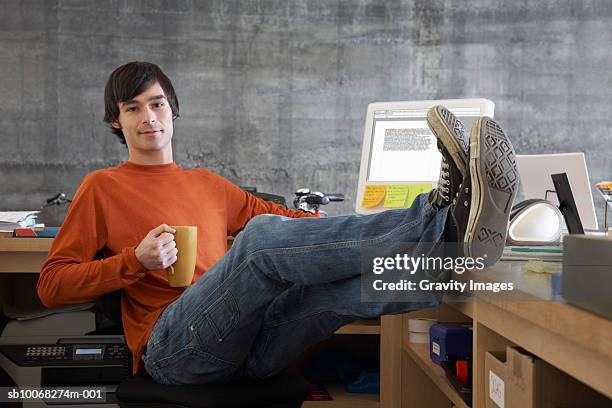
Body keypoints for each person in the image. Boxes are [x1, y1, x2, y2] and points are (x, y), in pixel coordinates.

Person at [37, 61, 518, 385]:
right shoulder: (102, 186)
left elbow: (287, 223)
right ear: (116, 122)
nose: (148, 116)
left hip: (249, 346)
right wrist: (132, 262)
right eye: (132, 108)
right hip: (173, 348)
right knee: (259, 244)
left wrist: (329, 226)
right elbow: (51, 286)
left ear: (173, 110)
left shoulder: (206, 183)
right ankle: (436, 215)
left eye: (157, 102)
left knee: (327, 292)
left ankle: (449, 263)